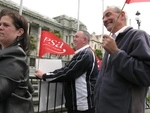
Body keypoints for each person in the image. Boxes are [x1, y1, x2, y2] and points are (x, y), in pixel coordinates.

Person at [94, 5, 150, 113]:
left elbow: (146, 75)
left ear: (122, 15)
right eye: (103, 18)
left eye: (108, 15)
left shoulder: (139, 35)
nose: (104, 20)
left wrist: (115, 53)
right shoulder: (112, 41)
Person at [35, 30, 98, 113]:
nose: (74, 39)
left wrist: (45, 76)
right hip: (77, 103)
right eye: (73, 37)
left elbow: (68, 72)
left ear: (85, 40)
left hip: (81, 104)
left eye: (76, 37)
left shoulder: (85, 54)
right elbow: (66, 69)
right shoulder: (82, 53)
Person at [0, 9, 34, 113]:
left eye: (6, 25)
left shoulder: (16, 55)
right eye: (0, 24)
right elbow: (30, 88)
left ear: (19, 32)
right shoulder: (6, 52)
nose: (0, 27)